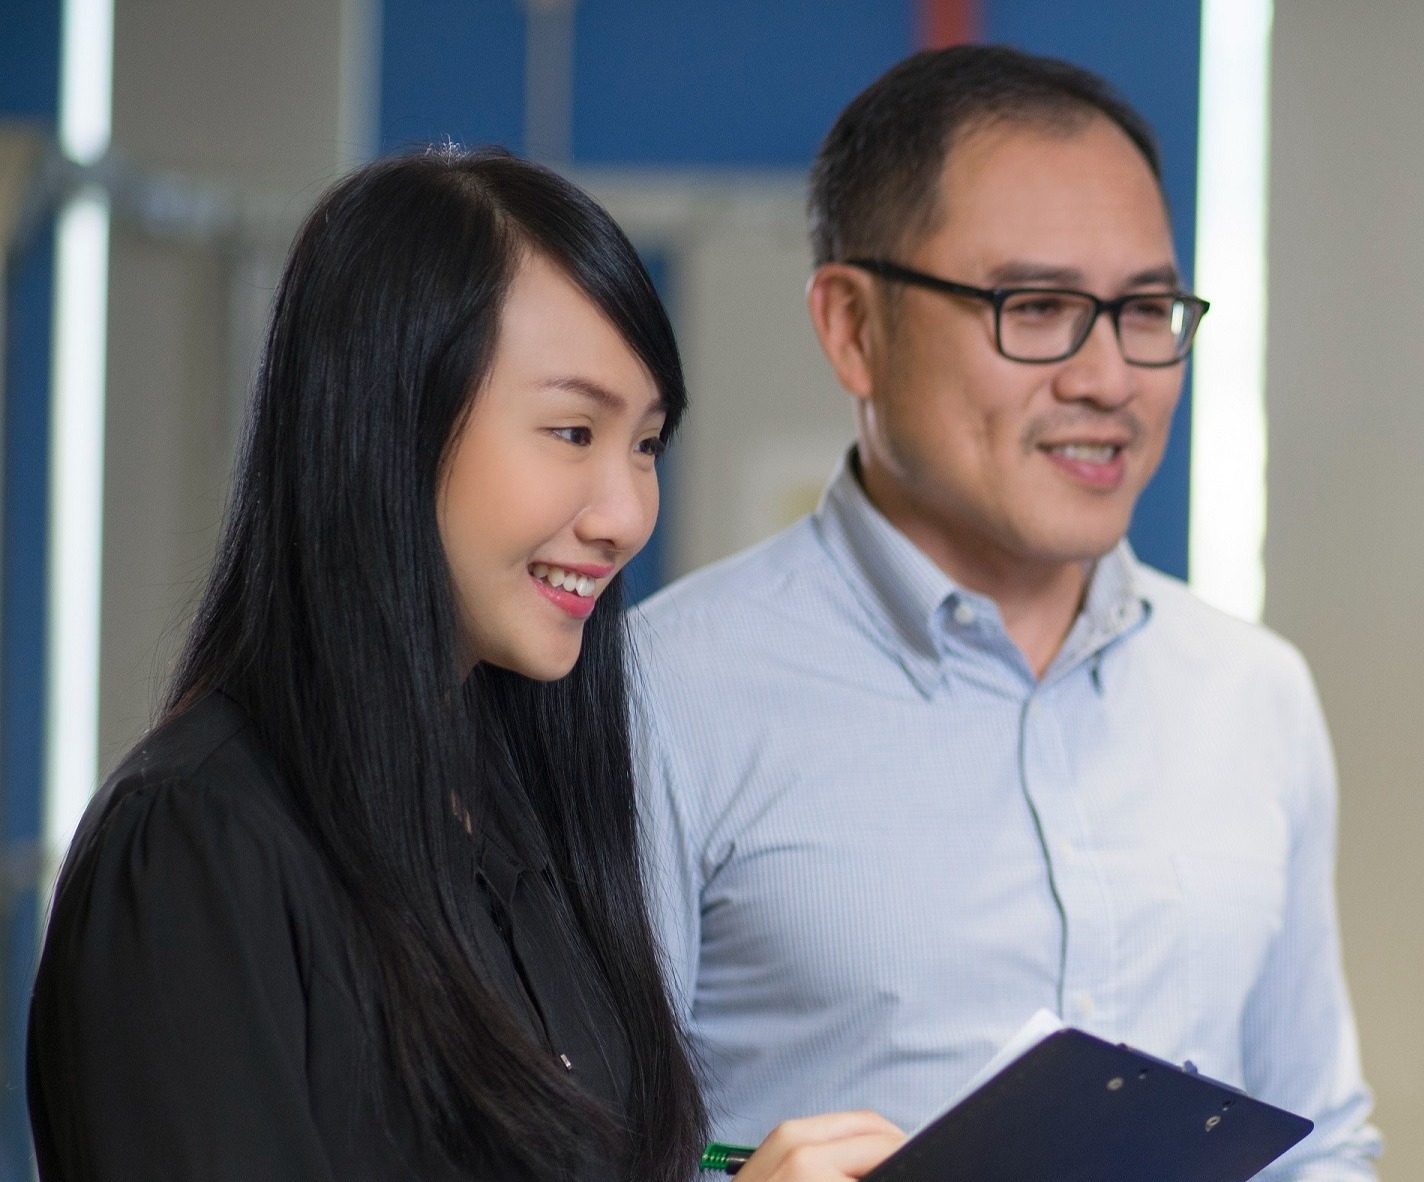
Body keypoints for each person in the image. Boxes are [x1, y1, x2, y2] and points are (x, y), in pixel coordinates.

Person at [28, 147, 900, 1182]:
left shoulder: (519, 818)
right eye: (573, 431)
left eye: (646, 446)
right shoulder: (198, 848)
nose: (625, 516)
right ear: (388, 428)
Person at [632, 45, 1383, 1179]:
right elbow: (547, 1150)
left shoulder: (1253, 694)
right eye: (1034, 307)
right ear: (853, 327)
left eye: (1144, 309)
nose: (1108, 378)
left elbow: (1319, 1142)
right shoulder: (663, 694)